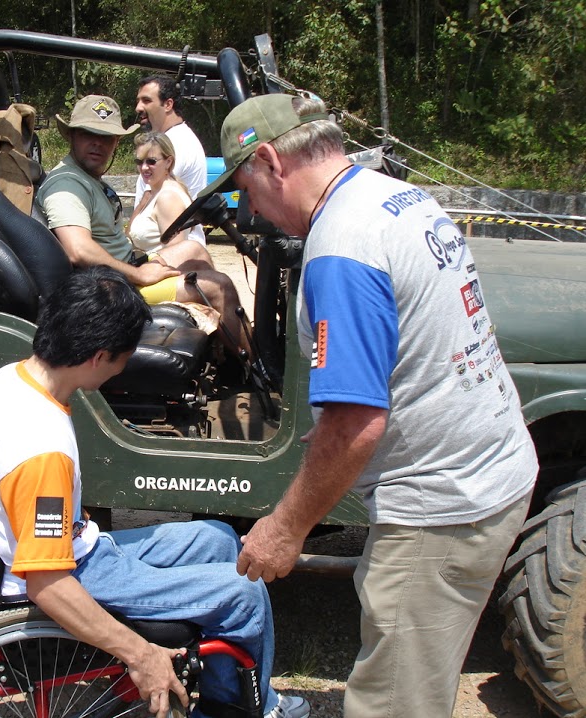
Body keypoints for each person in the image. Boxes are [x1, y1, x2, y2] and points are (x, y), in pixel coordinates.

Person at [202, 94, 538, 717]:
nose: (249, 209)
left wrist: (284, 528)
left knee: (393, 704)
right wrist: (341, 428)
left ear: (272, 160)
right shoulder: (395, 197)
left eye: (246, 188)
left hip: (442, 504)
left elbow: (358, 422)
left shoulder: (340, 248)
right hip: (489, 466)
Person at [0, 266, 310, 718]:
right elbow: (47, 583)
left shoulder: (12, 378)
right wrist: (139, 652)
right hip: (69, 571)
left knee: (218, 539)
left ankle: (217, 683)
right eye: (124, 357)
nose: (125, 366)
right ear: (99, 356)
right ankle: (245, 709)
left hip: (74, 545)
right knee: (243, 593)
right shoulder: (41, 445)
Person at [36, 94, 251, 358]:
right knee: (219, 286)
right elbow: (78, 250)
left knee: (194, 249)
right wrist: (140, 274)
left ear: (116, 142)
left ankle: (224, 349)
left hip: (121, 270)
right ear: (71, 136)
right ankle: (256, 367)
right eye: (87, 134)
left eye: (106, 137)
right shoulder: (67, 184)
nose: (97, 144)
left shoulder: (89, 178)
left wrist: (143, 266)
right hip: (106, 290)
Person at [134, 75, 208, 245]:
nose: (138, 108)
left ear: (168, 104)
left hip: (171, 255)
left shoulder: (177, 143)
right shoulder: (170, 140)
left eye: (146, 101)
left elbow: (148, 197)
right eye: (138, 101)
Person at [128, 131, 210, 266]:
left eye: (151, 161)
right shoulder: (156, 192)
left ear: (168, 162)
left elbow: (175, 256)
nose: (144, 167)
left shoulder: (168, 197)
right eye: (139, 161)